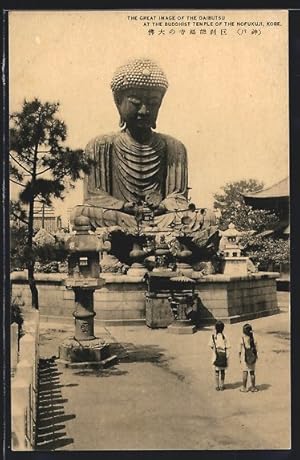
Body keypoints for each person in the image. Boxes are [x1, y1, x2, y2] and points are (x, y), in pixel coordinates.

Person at [72, 58, 217, 243]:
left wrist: (163, 206)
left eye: (153, 103)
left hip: (160, 217)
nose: (144, 110)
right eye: (135, 102)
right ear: (118, 101)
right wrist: (125, 207)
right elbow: (94, 196)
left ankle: (136, 236)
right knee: (81, 214)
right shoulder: (100, 145)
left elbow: (178, 197)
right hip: (120, 216)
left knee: (207, 216)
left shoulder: (174, 147)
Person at [209, 320, 230, 391]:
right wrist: (227, 356)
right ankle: (222, 385)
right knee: (223, 372)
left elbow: (211, 346)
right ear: (223, 328)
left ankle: (217, 386)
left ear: (215, 328)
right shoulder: (225, 337)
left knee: (217, 372)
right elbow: (228, 347)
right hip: (223, 355)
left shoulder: (213, 337)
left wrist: (215, 349)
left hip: (216, 356)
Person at [239, 323, 259, 392]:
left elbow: (239, 350)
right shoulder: (254, 338)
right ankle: (253, 387)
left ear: (243, 331)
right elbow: (256, 349)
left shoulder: (242, 338)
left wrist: (239, 358)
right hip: (252, 357)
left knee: (245, 372)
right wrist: (256, 356)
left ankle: (244, 387)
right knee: (252, 373)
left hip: (245, 358)